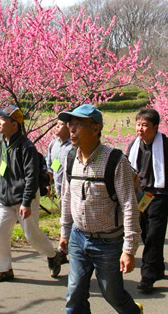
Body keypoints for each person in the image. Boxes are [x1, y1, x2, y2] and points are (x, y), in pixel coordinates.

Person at [59, 104, 143, 314]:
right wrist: (65, 232)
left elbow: (129, 206)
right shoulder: (70, 158)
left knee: (112, 293)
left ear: (95, 129)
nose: (71, 129)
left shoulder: (115, 161)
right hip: (78, 238)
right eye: (70, 124)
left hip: (108, 242)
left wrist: (129, 250)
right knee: (74, 296)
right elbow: (67, 198)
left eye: (78, 124)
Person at [0, 105, 64, 282]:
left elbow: (31, 177)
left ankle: (53, 255)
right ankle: (4, 269)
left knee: (31, 235)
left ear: (15, 124)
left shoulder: (26, 147)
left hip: (24, 198)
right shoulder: (2, 144)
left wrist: (26, 201)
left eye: (3, 120)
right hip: (4, 198)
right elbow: (1, 171)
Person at [127, 107, 168, 293]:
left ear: (155, 127)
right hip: (140, 196)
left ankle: (147, 276)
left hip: (160, 195)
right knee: (146, 233)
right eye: (138, 124)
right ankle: (158, 267)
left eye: (145, 125)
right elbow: (126, 170)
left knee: (154, 235)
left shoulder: (167, 145)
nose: (140, 129)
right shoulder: (134, 145)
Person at [46, 119, 73, 198]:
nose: (57, 126)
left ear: (69, 128)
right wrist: (48, 185)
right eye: (57, 124)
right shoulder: (53, 144)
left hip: (71, 193)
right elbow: (51, 168)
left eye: (61, 124)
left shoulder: (74, 146)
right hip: (58, 191)